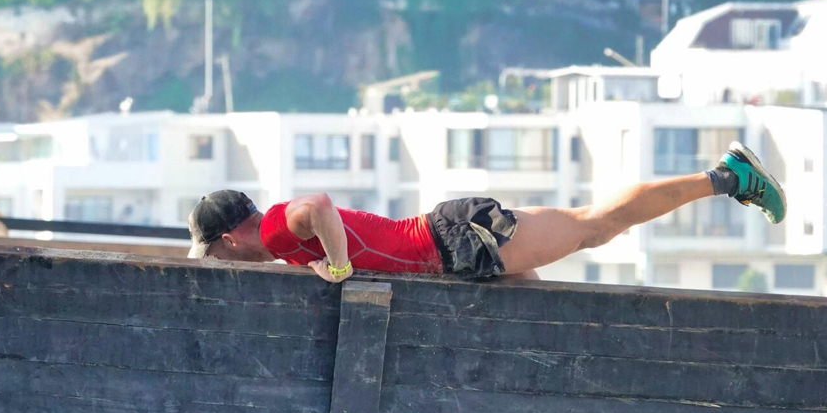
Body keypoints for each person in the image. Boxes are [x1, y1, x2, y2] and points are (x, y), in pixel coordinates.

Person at [187, 142, 786, 281]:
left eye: (213, 249)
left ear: (231, 234)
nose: (217, 258)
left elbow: (318, 205)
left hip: (453, 240)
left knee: (595, 227)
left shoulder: (270, 228)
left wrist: (338, 266)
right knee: (580, 243)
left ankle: (728, 177)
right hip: (454, 252)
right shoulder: (284, 254)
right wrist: (327, 268)